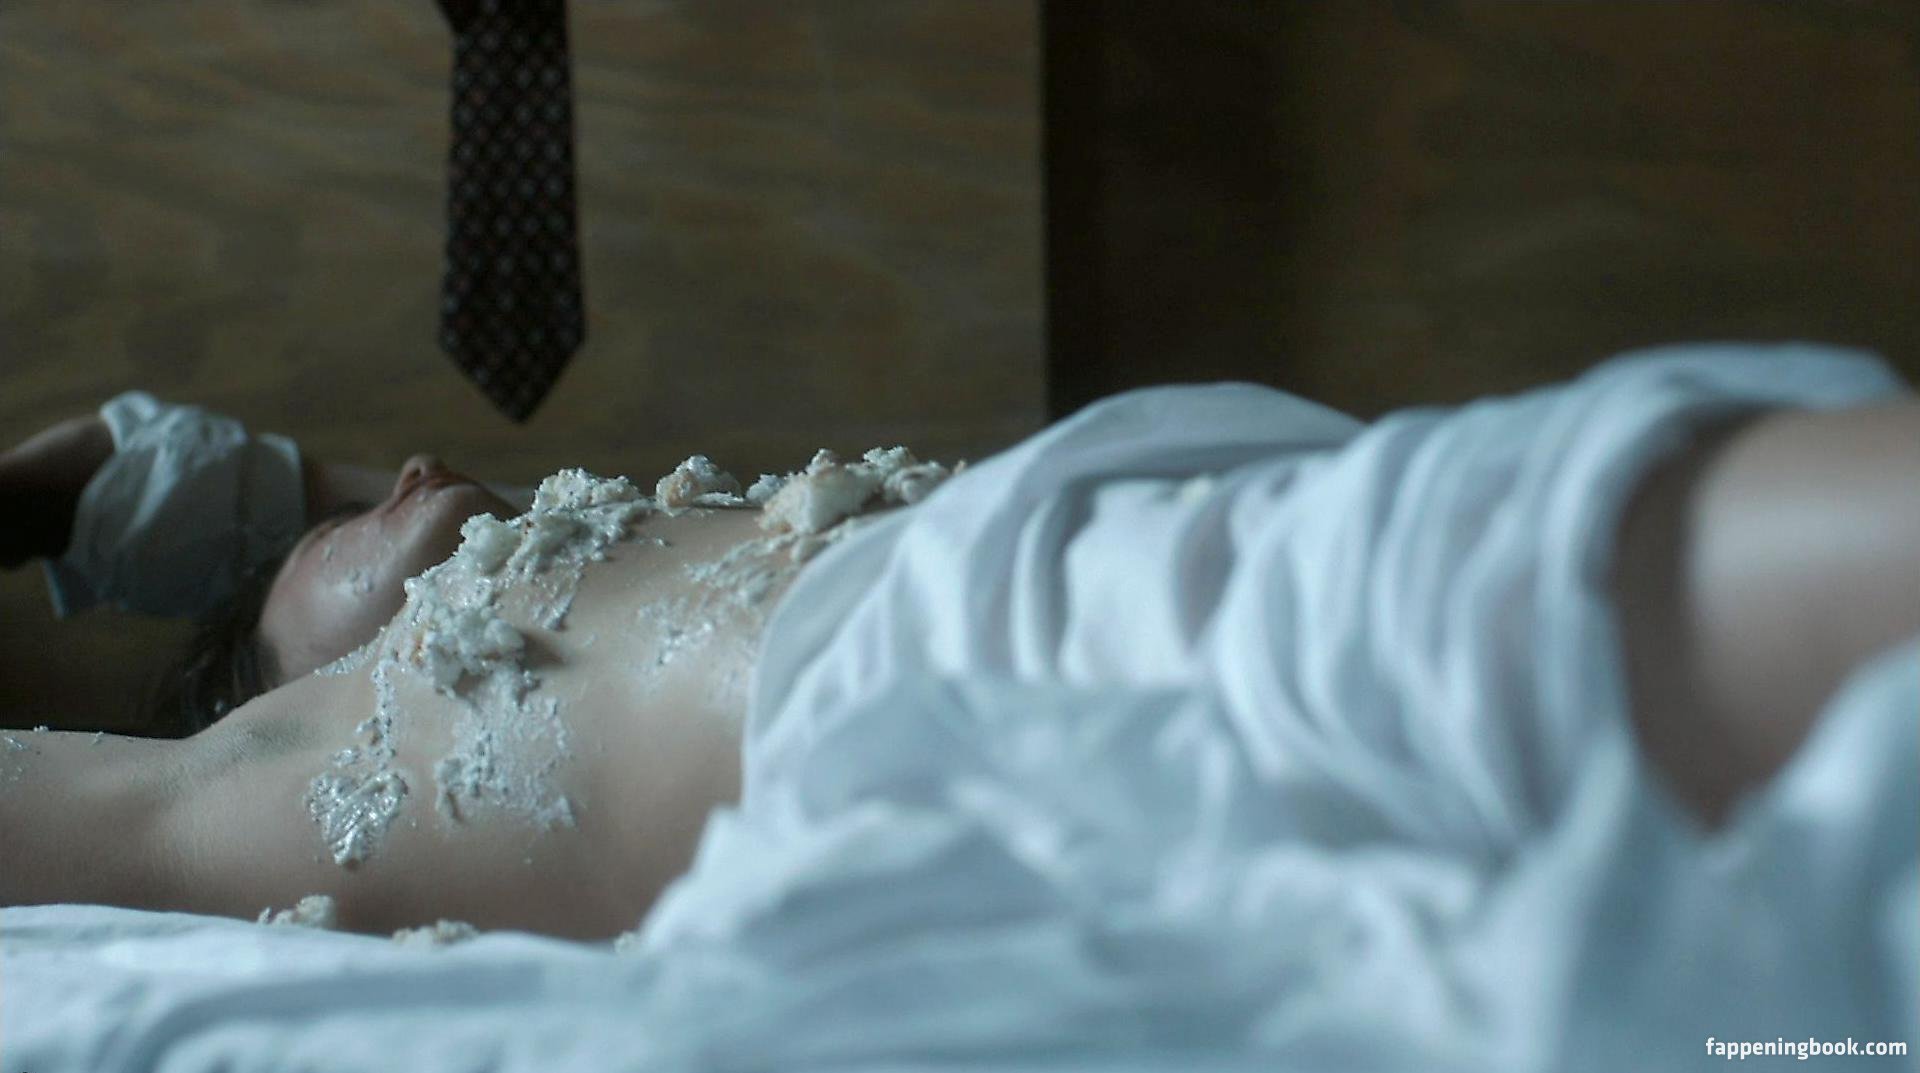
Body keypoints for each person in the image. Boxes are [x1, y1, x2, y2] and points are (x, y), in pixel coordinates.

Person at [1, 343, 1916, 944]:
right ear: (247, 677)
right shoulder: (237, 786)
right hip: (1001, 669)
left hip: (1089, 566)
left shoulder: (475, 579)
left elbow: (292, 499)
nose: (402, 478)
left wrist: (277, 525)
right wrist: (85, 479)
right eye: (318, 530)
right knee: (1554, 579)